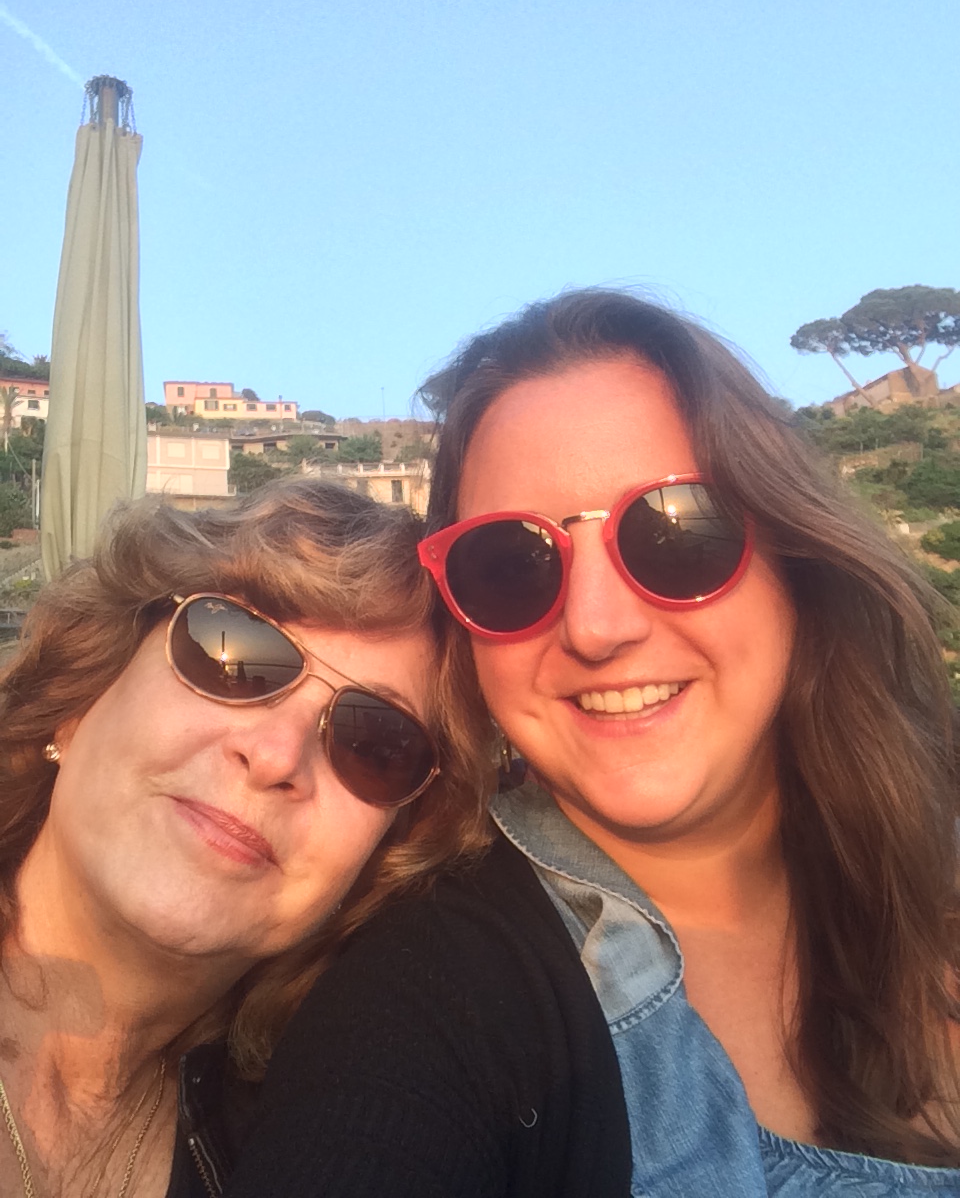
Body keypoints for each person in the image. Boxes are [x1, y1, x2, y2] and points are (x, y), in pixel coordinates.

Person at [222, 291, 960, 1198]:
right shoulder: (429, 999)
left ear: (795, 560)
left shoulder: (934, 850)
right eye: (508, 565)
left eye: (676, 532)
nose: (596, 627)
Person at [0, 477, 488, 1198]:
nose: (277, 757)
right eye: (231, 654)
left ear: (382, 857)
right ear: (78, 704)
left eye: (375, 742)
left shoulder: (304, 1148)